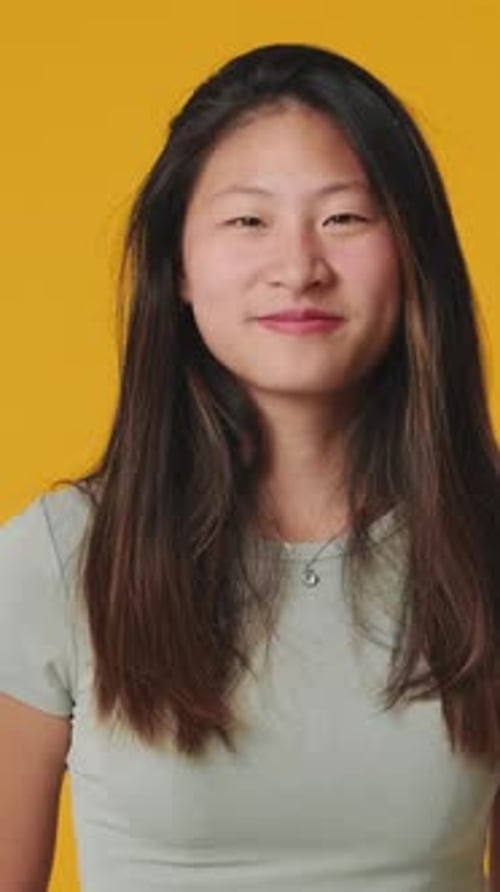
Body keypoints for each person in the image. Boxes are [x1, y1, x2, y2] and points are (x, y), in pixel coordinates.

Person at [1, 42, 499, 892]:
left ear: (413, 255)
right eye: (248, 221)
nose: (299, 267)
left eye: (345, 218)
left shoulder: (485, 544)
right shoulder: (54, 560)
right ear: (180, 267)